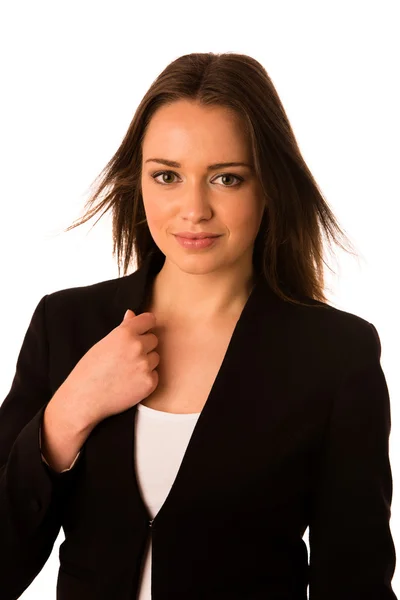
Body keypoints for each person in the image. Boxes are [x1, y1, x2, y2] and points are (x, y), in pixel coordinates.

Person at [0, 52, 397, 600]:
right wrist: (67, 414)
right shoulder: (66, 325)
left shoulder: (336, 355)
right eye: (167, 175)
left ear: (269, 188)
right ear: (138, 182)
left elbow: (354, 583)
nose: (193, 209)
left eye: (227, 179)